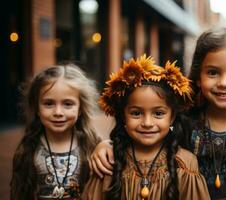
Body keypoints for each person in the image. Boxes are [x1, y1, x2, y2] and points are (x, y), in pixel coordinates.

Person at [89, 27, 226, 199]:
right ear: (198, 78)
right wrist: (107, 146)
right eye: (213, 73)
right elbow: (145, 141)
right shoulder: (184, 121)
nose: (223, 82)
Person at [81, 55, 210, 199]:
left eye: (158, 113)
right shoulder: (109, 161)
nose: (147, 123)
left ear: (172, 117)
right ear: (123, 116)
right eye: (136, 113)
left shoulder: (185, 164)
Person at [10, 64, 101, 199]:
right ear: (36, 108)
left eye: (68, 104)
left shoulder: (91, 145)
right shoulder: (27, 149)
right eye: (48, 103)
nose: (58, 112)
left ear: (81, 108)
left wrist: (105, 145)